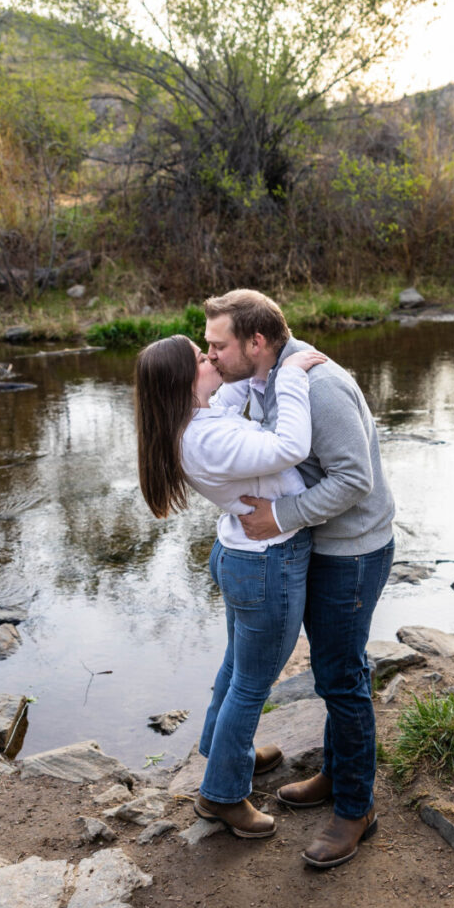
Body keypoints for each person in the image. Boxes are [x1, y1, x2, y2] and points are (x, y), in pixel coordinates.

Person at [204, 289, 395, 869]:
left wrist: (278, 517)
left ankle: (356, 808)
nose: (210, 357)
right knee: (334, 670)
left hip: (353, 551)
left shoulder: (319, 385)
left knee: (341, 678)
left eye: (218, 346)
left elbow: (354, 479)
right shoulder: (265, 379)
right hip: (319, 545)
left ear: (255, 342)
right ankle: (337, 778)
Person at [134, 334, 326, 839]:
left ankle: (226, 751)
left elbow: (230, 397)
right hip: (266, 564)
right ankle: (220, 795)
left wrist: (255, 371)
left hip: (242, 557)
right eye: (201, 358)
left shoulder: (196, 417)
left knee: (236, 667)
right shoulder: (206, 438)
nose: (211, 357)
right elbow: (291, 446)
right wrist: (290, 377)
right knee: (251, 682)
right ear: (183, 381)